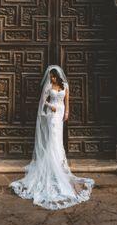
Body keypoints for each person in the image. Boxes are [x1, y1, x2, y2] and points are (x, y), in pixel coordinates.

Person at [9, 65, 94, 210]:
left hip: (60, 112)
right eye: (50, 77)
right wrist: (50, 105)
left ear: (57, 76)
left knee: (58, 139)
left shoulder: (65, 85)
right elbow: (43, 101)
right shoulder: (48, 86)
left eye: (53, 76)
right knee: (53, 138)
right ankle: (52, 165)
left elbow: (67, 100)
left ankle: (60, 164)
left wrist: (67, 112)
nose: (51, 78)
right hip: (52, 114)